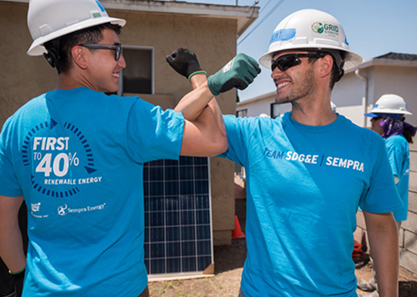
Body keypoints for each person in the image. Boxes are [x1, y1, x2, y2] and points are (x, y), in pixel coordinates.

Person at [0, 0, 261, 296]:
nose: (122, 62)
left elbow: (4, 222)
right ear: (80, 55)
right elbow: (215, 139)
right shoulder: (126, 115)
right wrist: (202, 78)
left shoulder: (15, 125)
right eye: (115, 50)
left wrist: (20, 275)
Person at [169, 8, 403, 297]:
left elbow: (381, 226)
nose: (275, 72)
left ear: (324, 65)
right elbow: (177, 123)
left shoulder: (369, 146)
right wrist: (208, 81)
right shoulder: (255, 134)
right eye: (274, 64)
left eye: (287, 61)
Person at [357, 94, 416, 297]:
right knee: (378, 250)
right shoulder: (395, 141)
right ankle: (375, 282)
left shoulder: (393, 144)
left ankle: (381, 291)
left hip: (388, 207)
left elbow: (391, 178)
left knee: (382, 251)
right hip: (391, 206)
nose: (371, 121)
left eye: (375, 118)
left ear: (386, 120)